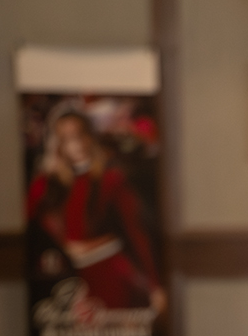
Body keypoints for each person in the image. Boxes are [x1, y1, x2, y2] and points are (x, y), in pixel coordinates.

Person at [26, 108, 166, 317]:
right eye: (66, 138)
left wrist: (155, 285)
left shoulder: (110, 179)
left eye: (79, 135)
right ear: (57, 144)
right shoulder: (48, 184)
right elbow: (28, 219)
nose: (75, 144)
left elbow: (137, 232)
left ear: (90, 137)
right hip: (69, 276)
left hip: (109, 270)